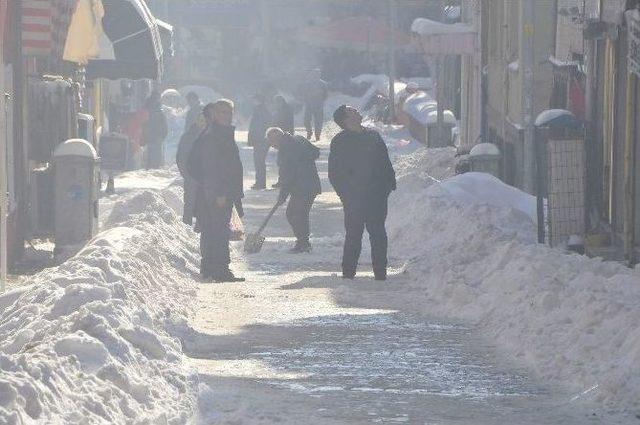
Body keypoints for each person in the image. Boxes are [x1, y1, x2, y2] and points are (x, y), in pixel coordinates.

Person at [328, 105, 396, 281]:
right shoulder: (340, 141)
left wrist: (389, 185)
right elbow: (335, 173)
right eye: (352, 111)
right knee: (353, 235)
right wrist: (346, 196)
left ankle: (380, 273)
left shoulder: (373, 136)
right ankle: (348, 273)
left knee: (379, 234)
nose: (357, 111)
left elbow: (385, 162)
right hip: (354, 198)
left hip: (377, 196)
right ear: (345, 119)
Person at [188, 100, 245, 283]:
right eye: (221, 112)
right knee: (219, 232)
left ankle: (210, 268)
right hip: (217, 193)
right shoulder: (214, 135)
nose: (226, 116)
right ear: (214, 114)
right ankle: (220, 270)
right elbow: (213, 167)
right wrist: (219, 192)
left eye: (229, 112)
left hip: (216, 191)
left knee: (212, 230)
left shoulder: (220, 133)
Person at [266, 127, 321, 253]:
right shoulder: (299, 139)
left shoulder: (286, 150)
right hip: (311, 184)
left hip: (301, 187)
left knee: (293, 214)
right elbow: (315, 152)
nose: (272, 146)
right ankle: (304, 242)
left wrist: (282, 196)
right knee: (300, 214)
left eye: (272, 142)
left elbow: (287, 175)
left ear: (277, 139)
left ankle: (303, 243)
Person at [176, 112, 207, 226]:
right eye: (201, 120)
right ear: (197, 121)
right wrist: (186, 174)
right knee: (189, 204)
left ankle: (201, 227)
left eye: (206, 121)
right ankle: (186, 227)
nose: (203, 124)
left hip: (207, 177)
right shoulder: (188, 137)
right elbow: (180, 157)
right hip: (191, 176)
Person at [248, 94, 273, 190]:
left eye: (254, 100)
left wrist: (253, 139)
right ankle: (260, 182)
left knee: (259, 162)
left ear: (257, 100)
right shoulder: (264, 110)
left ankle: (260, 183)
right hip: (262, 140)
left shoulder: (259, 110)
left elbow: (256, 127)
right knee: (260, 162)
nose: (252, 102)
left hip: (260, 140)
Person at [272, 95, 295, 188]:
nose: (275, 105)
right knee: (283, 161)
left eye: (276, 103)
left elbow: (283, 124)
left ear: (279, 102)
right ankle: (283, 180)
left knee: (283, 161)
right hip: (284, 136)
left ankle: (283, 181)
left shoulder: (284, 111)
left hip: (284, 137)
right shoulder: (285, 109)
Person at [142, 91, 169, 169]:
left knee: (150, 152)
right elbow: (163, 123)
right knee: (156, 153)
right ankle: (154, 168)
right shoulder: (157, 108)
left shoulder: (147, 106)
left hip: (150, 133)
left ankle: (149, 167)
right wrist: (164, 133)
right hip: (157, 134)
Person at [301, 69, 328, 142]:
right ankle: (309, 132)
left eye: (317, 74)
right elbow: (304, 93)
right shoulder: (307, 83)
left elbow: (325, 95)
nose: (315, 75)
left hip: (319, 105)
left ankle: (317, 135)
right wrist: (307, 98)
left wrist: (320, 97)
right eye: (314, 74)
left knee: (318, 121)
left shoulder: (323, 84)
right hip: (309, 105)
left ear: (319, 75)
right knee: (306, 121)